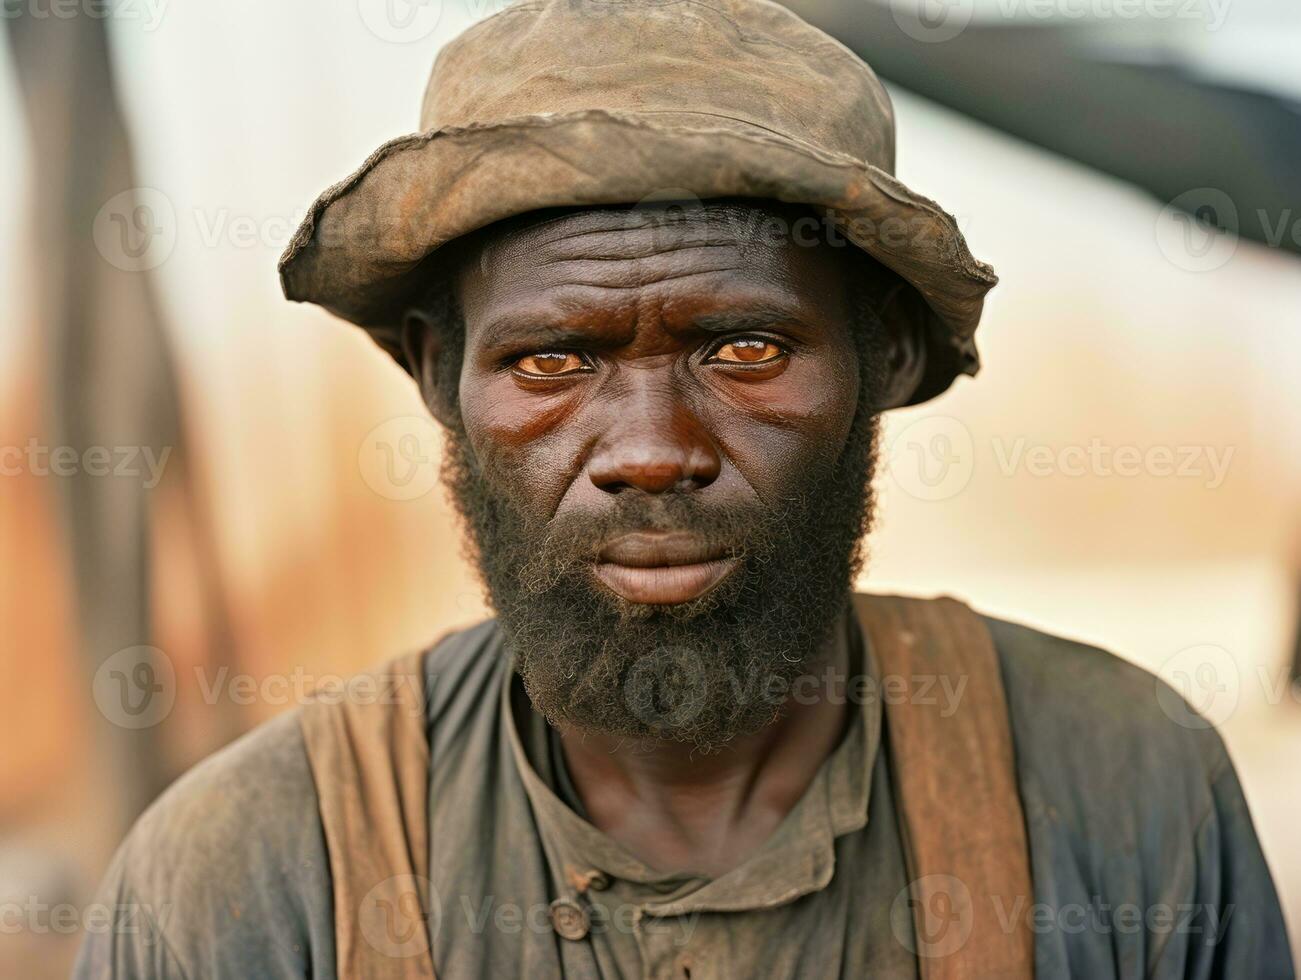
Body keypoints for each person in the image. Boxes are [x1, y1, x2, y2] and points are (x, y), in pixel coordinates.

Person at [77, 0, 1292, 976]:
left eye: (743, 350)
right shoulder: (246, 874)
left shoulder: (1121, 786)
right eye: (552, 359)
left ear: (888, 357)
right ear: (444, 378)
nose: (650, 448)